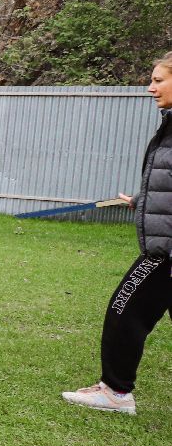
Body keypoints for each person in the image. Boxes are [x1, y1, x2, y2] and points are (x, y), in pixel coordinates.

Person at [63, 52, 172, 415]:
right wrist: (143, 201)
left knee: (124, 310)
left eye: (158, 80)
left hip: (166, 252)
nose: (150, 87)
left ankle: (116, 392)